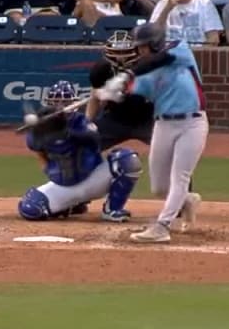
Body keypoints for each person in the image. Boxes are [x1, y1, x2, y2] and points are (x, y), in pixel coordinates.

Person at [95, 23, 206, 243]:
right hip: (163, 125)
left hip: (192, 123)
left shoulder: (179, 50)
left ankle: (162, 226)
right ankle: (187, 200)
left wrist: (127, 74)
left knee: (180, 176)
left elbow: (158, 60)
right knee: (159, 187)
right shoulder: (147, 75)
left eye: (144, 46)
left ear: (155, 43)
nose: (141, 51)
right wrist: (112, 91)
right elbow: (132, 92)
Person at [17, 81, 142, 223]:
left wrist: (64, 131)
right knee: (30, 209)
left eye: (65, 102)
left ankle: (112, 209)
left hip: (93, 181)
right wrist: (42, 132)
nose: (61, 106)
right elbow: (37, 150)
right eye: (56, 101)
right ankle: (72, 205)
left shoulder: (82, 122)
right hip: (63, 186)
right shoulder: (42, 130)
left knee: (127, 159)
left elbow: (92, 137)